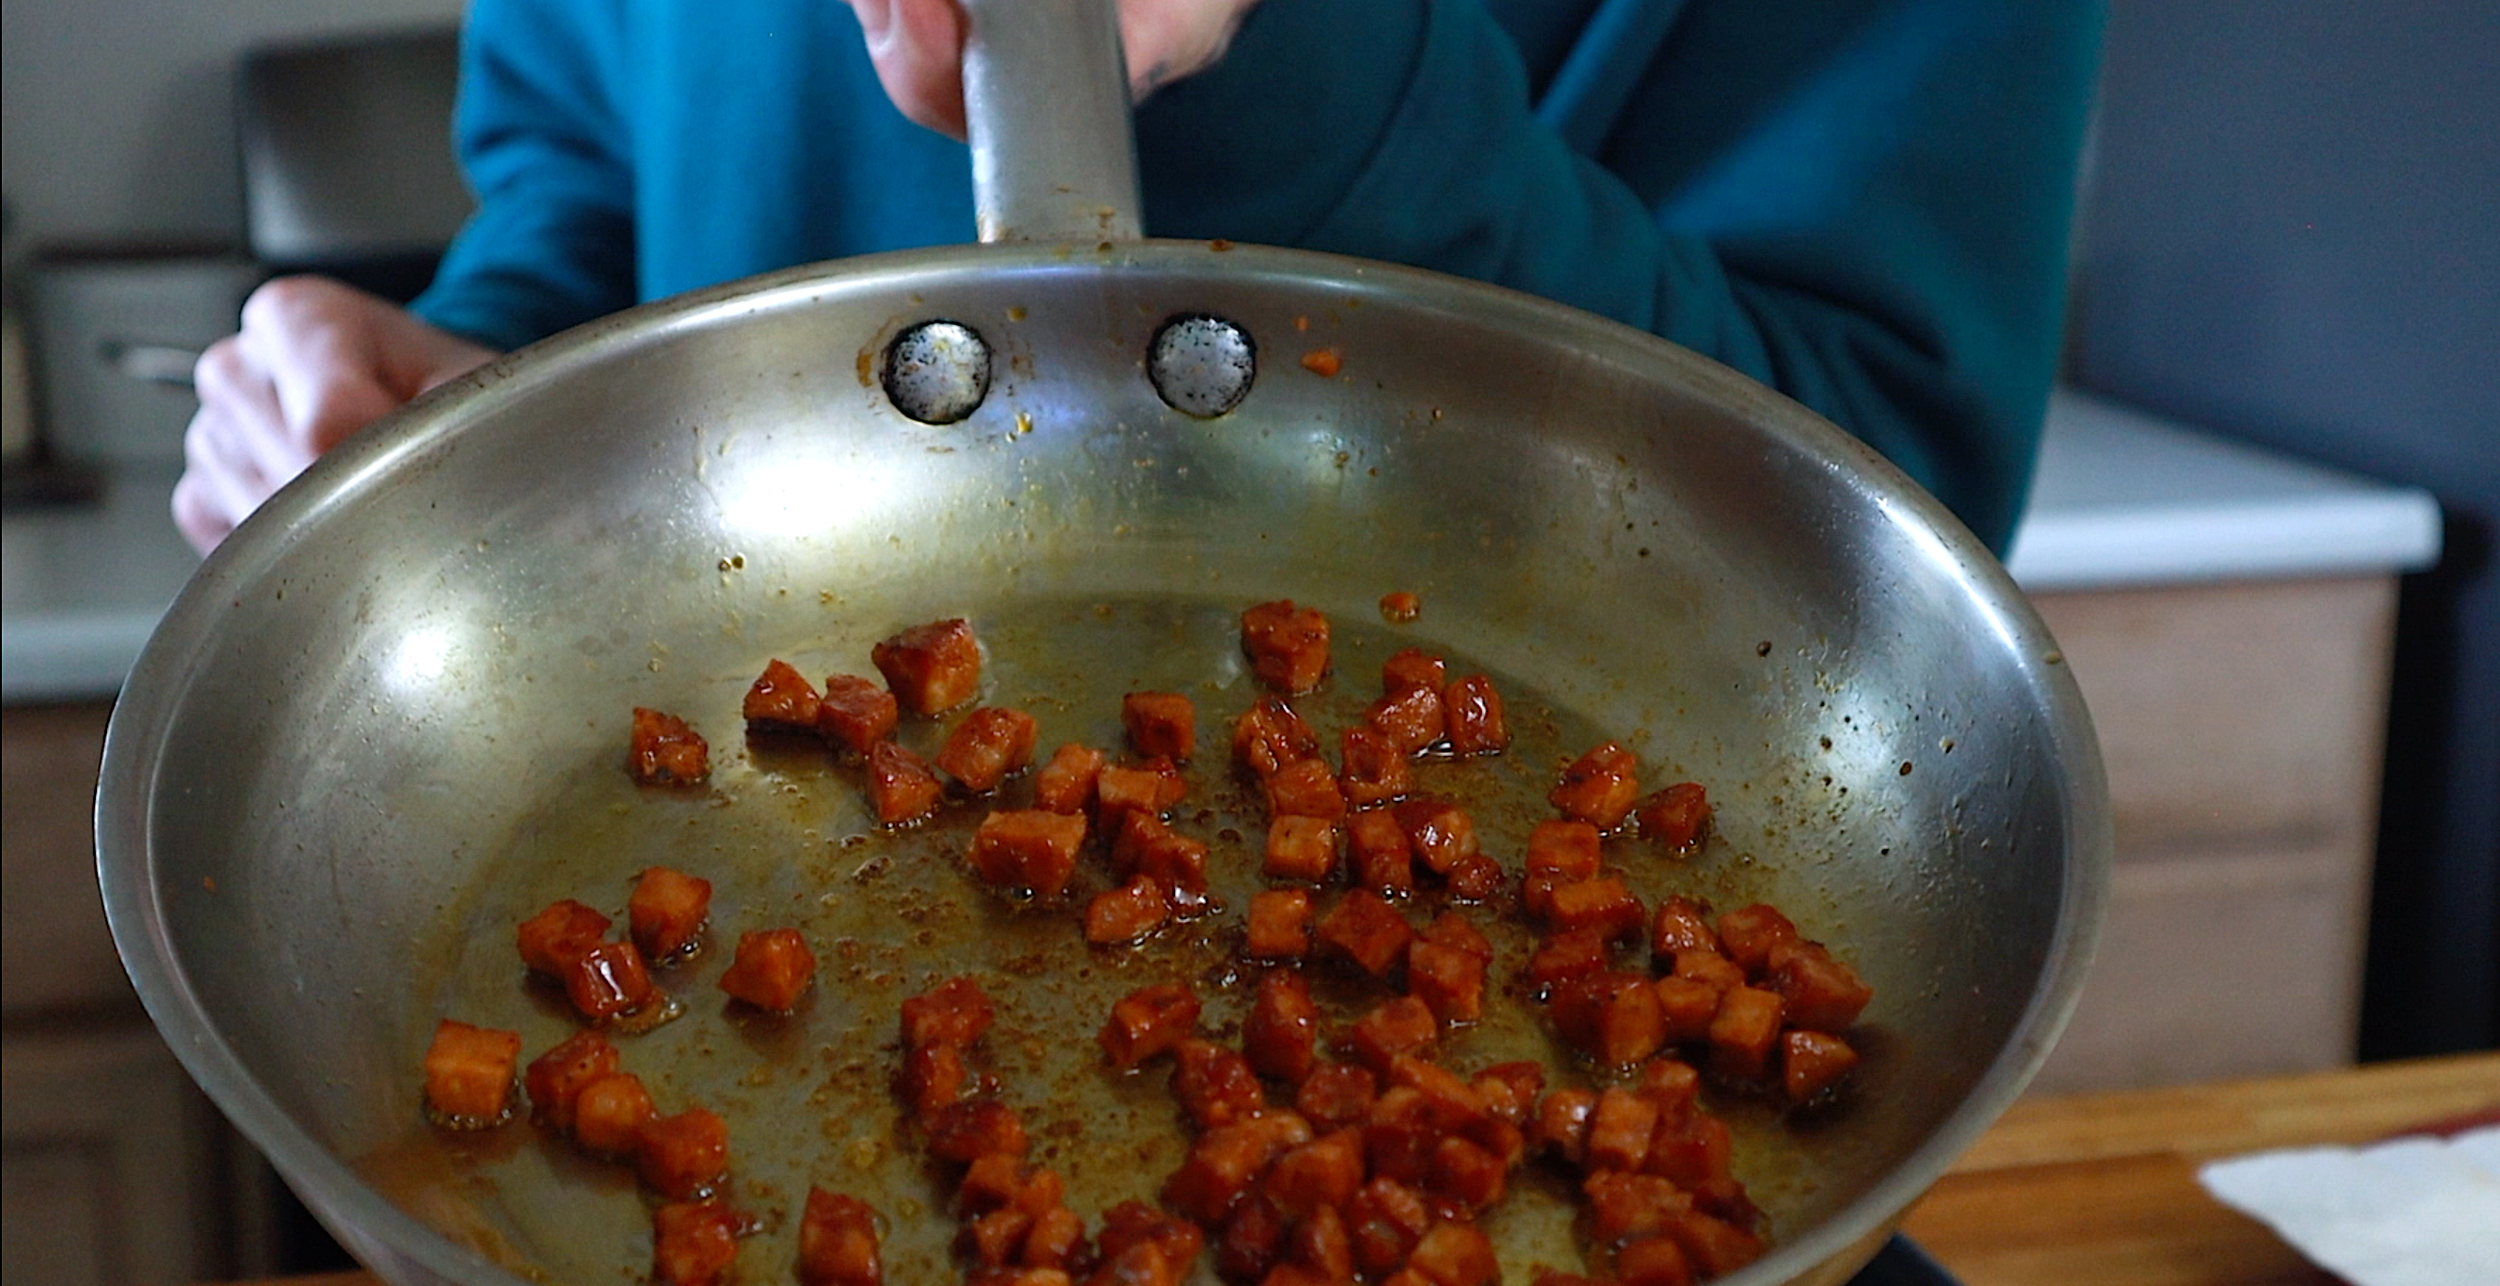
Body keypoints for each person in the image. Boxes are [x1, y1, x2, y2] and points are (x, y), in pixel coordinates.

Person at [173, 0, 2103, 558]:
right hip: (714, 1017)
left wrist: (1307, 69)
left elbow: (1866, 514)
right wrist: (461, 376)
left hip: (1515, 1101)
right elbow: (585, 155)